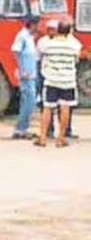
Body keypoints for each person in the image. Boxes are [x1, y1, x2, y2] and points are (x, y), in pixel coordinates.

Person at [36, 20, 83, 148]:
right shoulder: (75, 45)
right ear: (70, 31)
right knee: (65, 108)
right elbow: (76, 59)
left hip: (51, 80)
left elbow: (40, 56)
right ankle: (60, 138)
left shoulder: (48, 45)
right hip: (68, 81)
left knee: (47, 108)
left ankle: (43, 138)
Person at [11, 16, 40, 139]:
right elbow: (16, 52)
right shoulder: (22, 36)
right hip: (26, 74)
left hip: (31, 73)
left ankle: (24, 127)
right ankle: (20, 129)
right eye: (37, 25)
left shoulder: (30, 37)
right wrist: (22, 70)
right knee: (29, 101)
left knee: (29, 102)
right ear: (32, 25)